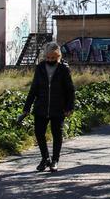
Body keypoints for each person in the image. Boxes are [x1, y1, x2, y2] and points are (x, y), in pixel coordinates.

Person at [18, 41, 76, 172]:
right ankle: (45, 158)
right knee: (39, 133)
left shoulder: (63, 69)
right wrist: (26, 109)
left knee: (57, 134)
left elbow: (70, 90)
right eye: (48, 58)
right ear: (45, 57)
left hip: (58, 108)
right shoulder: (40, 68)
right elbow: (33, 89)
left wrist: (69, 107)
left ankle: (55, 160)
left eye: (53, 58)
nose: (50, 60)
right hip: (41, 107)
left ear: (58, 57)